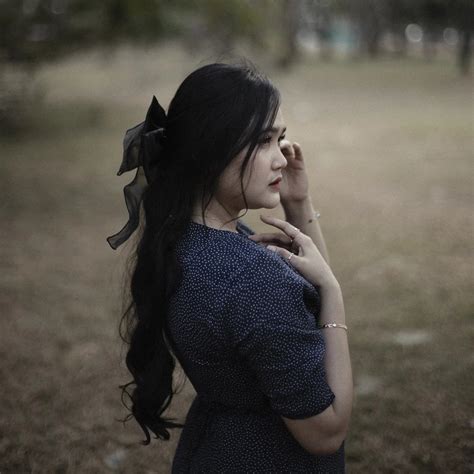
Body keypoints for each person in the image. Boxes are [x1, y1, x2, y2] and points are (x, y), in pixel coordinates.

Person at [107, 60, 353, 473]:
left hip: (214, 447)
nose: (280, 158)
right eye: (262, 141)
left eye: (280, 139)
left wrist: (298, 203)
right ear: (211, 150)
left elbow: (302, 305)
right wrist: (334, 294)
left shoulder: (182, 239)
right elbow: (326, 433)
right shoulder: (253, 279)